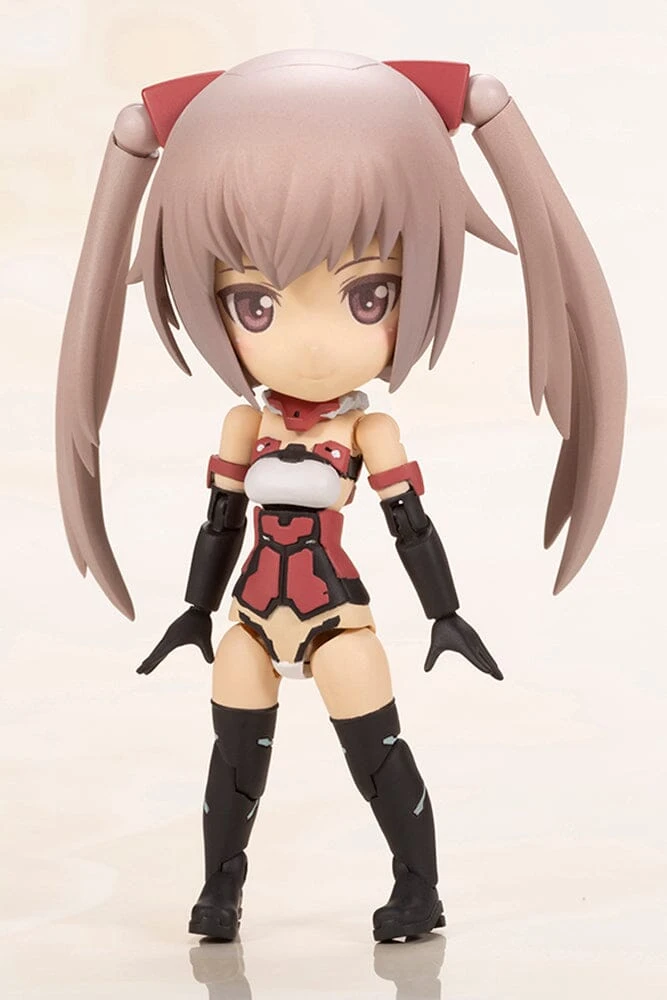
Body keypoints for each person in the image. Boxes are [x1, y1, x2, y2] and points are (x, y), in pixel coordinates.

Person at [56, 50, 626, 941]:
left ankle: (417, 889)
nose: (311, 343)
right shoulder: (245, 427)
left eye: (368, 296)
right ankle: (220, 894)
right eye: (254, 305)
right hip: (249, 616)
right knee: (232, 763)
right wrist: (193, 609)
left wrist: (445, 612)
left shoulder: (367, 434)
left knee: (377, 757)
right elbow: (220, 521)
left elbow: (409, 526)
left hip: (334, 619)